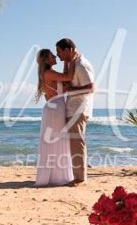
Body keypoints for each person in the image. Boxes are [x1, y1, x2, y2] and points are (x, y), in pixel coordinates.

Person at [56, 38, 94, 186]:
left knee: (77, 142)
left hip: (79, 108)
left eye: (59, 52)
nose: (58, 56)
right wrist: (66, 63)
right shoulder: (72, 63)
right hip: (73, 107)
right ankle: (76, 174)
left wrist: (71, 91)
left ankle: (80, 178)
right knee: (73, 142)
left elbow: (91, 87)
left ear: (68, 50)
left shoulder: (81, 65)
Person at [33, 48, 75, 186]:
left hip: (54, 107)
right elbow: (68, 77)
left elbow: (64, 77)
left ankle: (54, 176)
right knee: (57, 141)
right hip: (55, 108)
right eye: (52, 55)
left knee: (55, 142)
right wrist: (71, 59)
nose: (56, 56)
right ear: (46, 59)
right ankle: (57, 176)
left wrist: (66, 62)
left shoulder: (49, 73)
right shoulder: (49, 73)